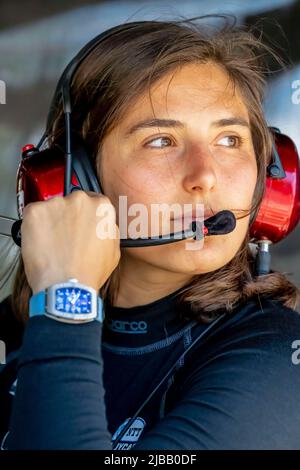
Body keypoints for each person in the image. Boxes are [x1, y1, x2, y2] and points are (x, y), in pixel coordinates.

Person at [0, 16, 300, 450]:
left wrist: (68, 296)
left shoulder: (276, 357)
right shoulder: (15, 330)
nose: (205, 176)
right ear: (76, 181)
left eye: (230, 140)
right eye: (161, 141)